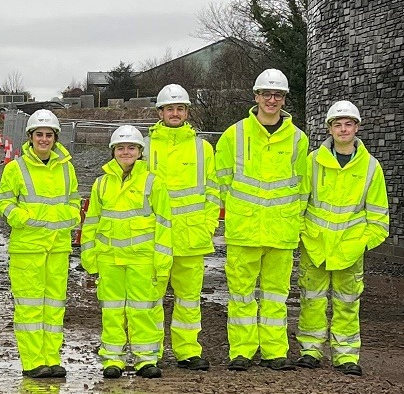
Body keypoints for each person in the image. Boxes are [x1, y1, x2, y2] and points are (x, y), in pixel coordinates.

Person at [215, 69, 309, 371]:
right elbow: (221, 182)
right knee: (241, 294)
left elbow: (303, 187)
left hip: (281, 230)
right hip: (244, 229)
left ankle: (274, 351)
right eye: (266, 94)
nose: (272, 99)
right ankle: (241, 351)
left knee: (275, 296)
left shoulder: (298, 139)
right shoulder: (235, 134)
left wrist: (296, 221)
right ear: (256, 96)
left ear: (284, 99)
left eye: (278, 95)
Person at [295, 100, 389, 376]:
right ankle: (310, 351)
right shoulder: (313, 162)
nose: (343, 129)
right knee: (311, 300)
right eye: (338, 124)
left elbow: (379, 219)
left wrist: (361, 243)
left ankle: (346, 356)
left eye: (348, 124)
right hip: (316, 246)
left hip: (349, 250)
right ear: (330, 128)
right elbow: (300, 203)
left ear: (357, 128)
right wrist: (304, 234)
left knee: (348, 304)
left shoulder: (371, 168)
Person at [80, 125, 172, 379]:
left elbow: (164, 223)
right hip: (109, 259)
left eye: (131, 147)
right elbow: (92, 223)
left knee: (142, 310)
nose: (126, 152)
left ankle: (146, 359)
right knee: (112, 311)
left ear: (140, 151)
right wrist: (90, 257)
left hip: (142, 259)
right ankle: (113, 359)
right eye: (120, 148)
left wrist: (162, 260)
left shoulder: (153, 182)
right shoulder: (101, 184)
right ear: (113, 151)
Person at [0, 109, 80, 379]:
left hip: (58, 248)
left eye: (49, 135)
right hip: (28, 248)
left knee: (54, 306)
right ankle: (33, 362)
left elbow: (74, 201)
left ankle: (52, 359)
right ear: (30, 137)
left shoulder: (67, 168)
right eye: (39, 134)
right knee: (30, 306)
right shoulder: (15, 168)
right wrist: (23, 219)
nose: (44, 139)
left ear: (56, 138)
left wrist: (70, 217)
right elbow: (4, 203)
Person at [145, 84, 219, 371]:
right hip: (155, 237)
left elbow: (213, 191)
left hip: (192, 236)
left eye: (180, 109)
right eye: (169, 109)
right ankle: (149, 352)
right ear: (160, 112)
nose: (174, 113)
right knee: (151, 299)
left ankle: (188, 351)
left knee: (189, 300)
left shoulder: (203, 148)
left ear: (187, 112)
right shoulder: (145, 147)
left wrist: (208, 224)